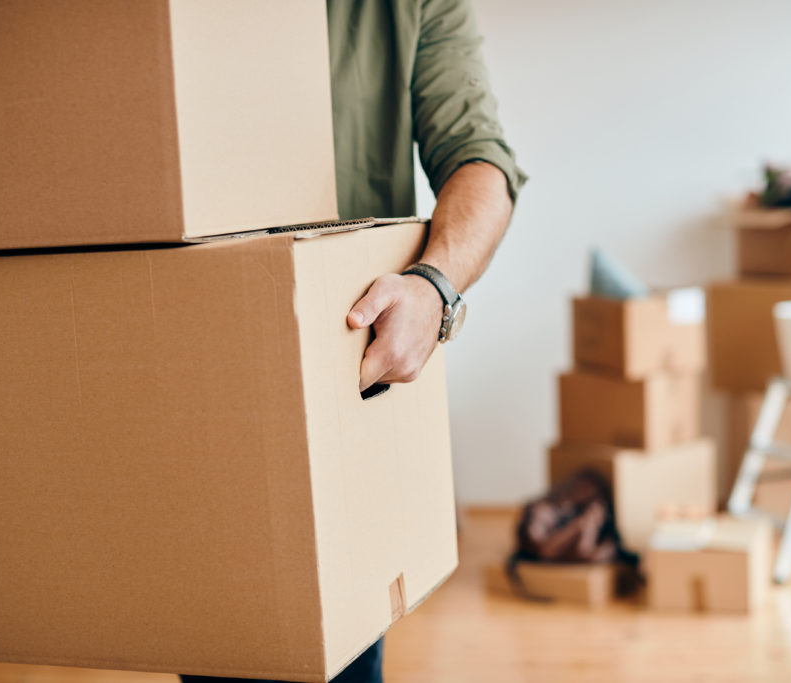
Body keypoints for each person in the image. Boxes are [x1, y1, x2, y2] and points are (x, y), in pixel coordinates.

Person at [180, 1, 524, 681]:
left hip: (341, 382)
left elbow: (482, 161)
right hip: (192, 367)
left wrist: (434, 286)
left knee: (339, 656)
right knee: (211, 649)